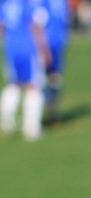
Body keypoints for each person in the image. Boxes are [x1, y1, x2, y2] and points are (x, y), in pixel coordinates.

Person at [1, 0, 51, 141]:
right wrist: (44, 49)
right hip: (28, 48)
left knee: (14, 84)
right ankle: (31, 129)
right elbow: (36, 26)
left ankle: (6, 122)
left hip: (10, 48)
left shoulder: (5, 4)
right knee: (34, 86)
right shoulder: (28, 4)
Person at [42, 0, 67, 124]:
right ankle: (52, 112)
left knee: (39, 79)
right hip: (58, 41)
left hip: (45, 43)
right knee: (54, 77)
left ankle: (48, 113)